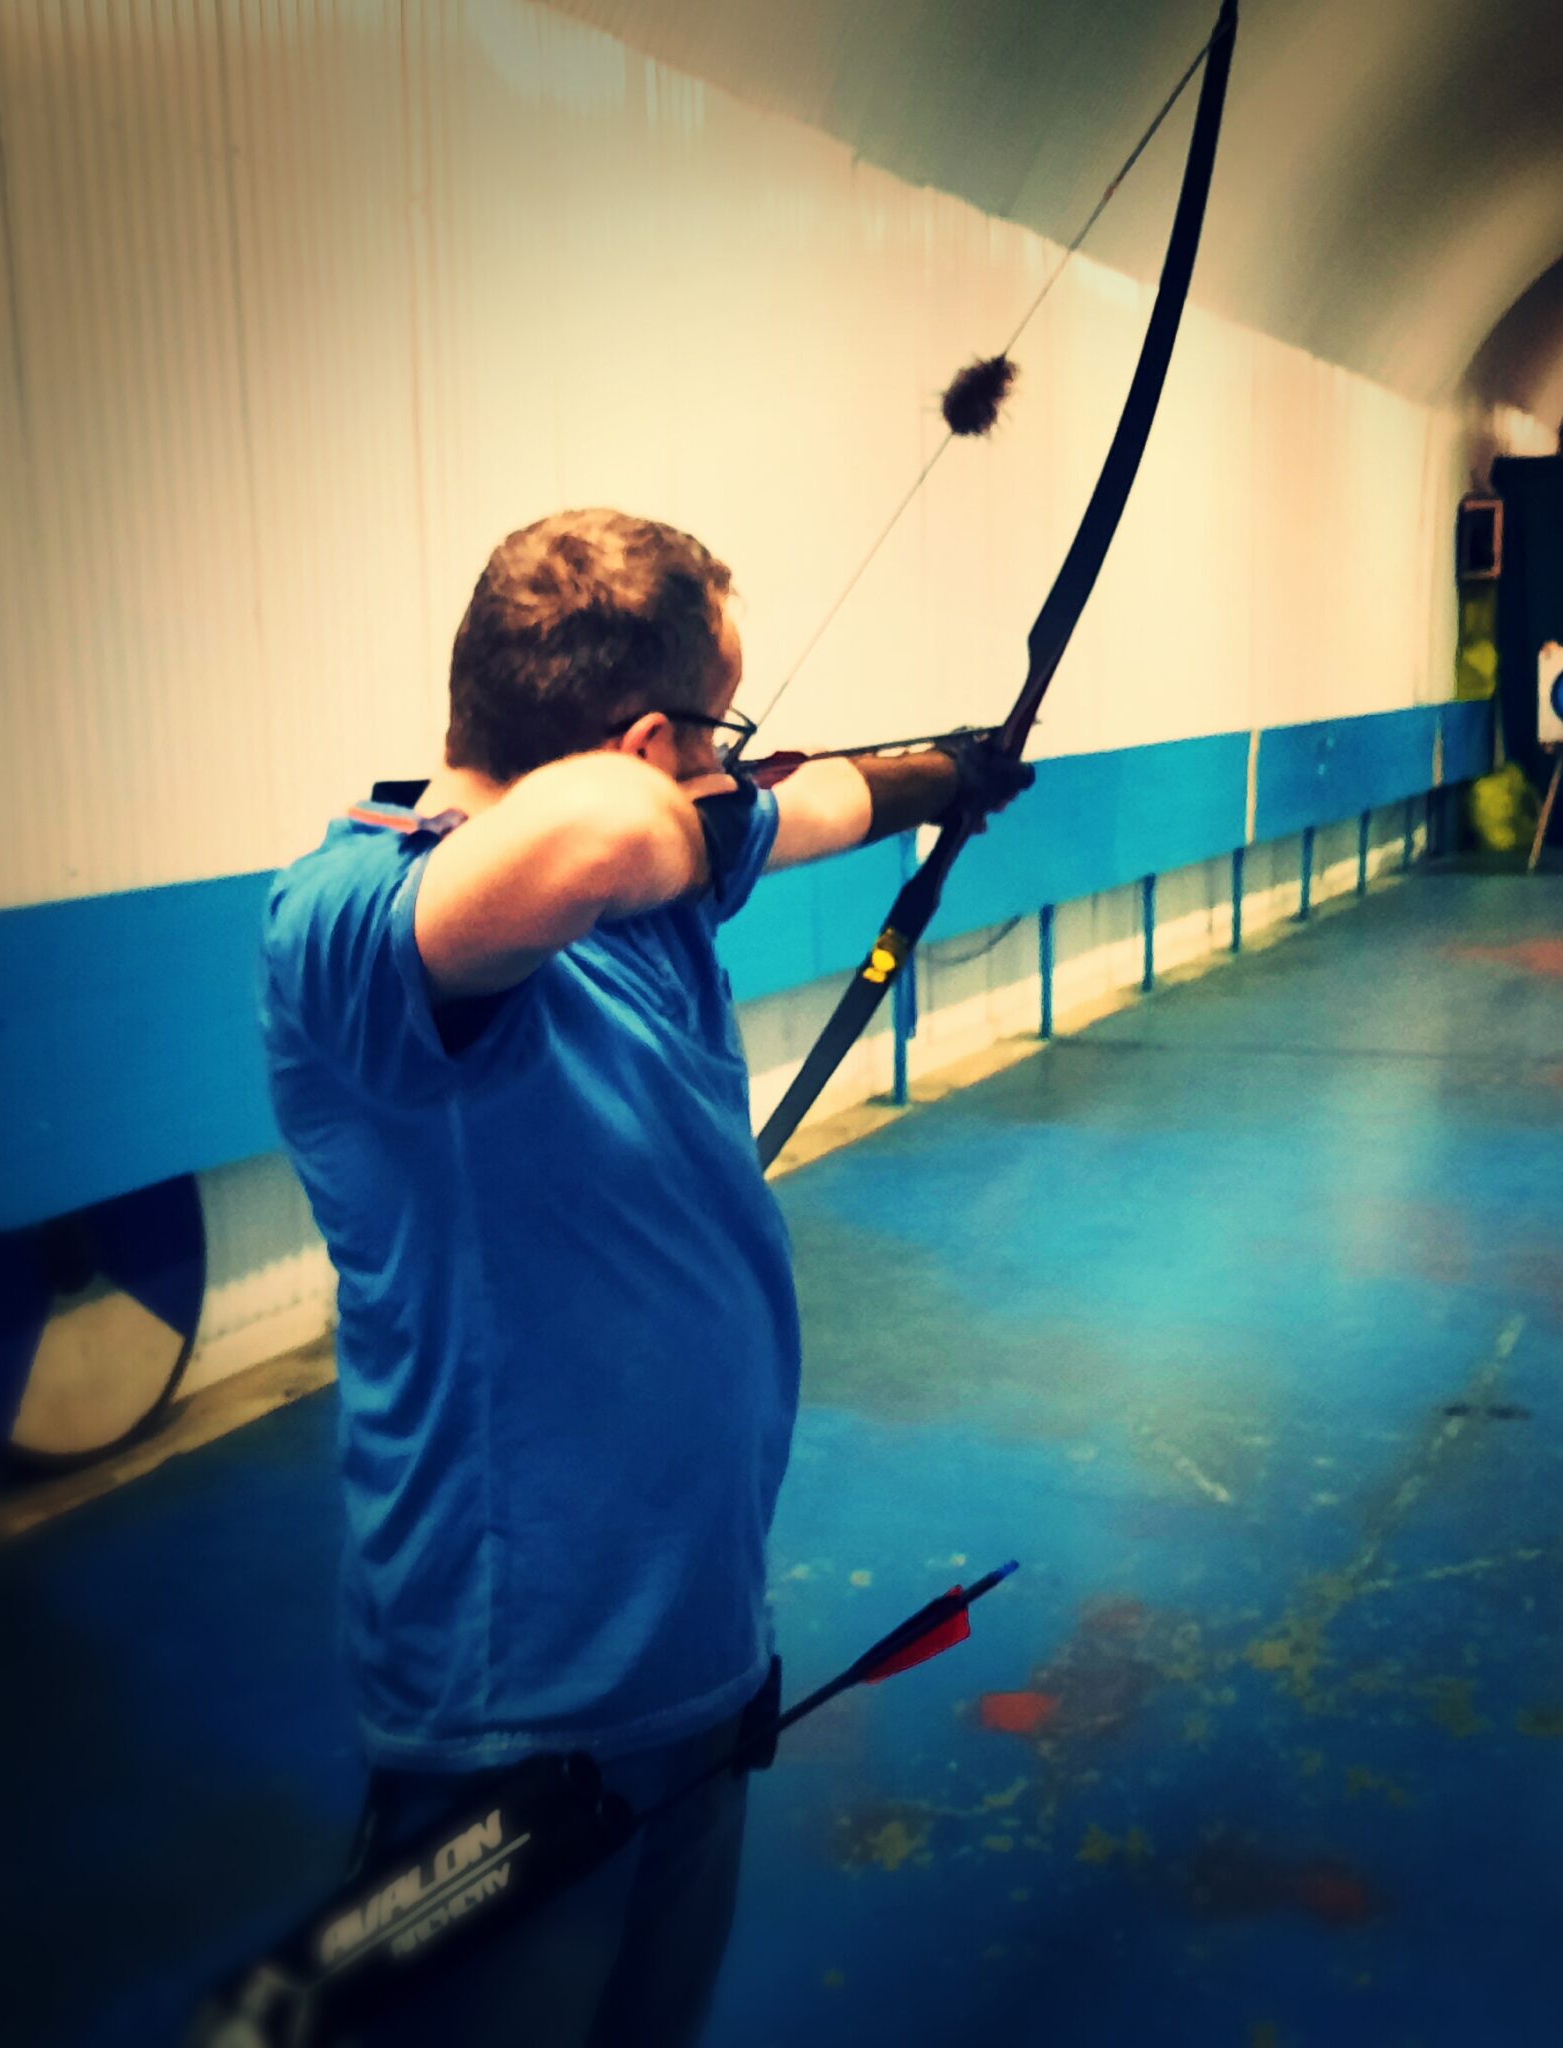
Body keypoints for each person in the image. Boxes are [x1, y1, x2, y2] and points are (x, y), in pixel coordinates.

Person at [259, 507, 1032, 2045]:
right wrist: (700, 801)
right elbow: (613, 831)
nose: (726, 778)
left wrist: (947, 773)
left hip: (696, 1670)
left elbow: (780, 810)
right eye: (710, 741)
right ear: (647, 736)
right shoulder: (354, 927)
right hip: (514, 1717)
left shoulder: (651, 873)